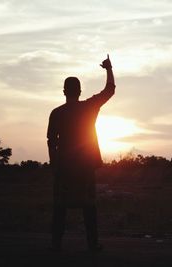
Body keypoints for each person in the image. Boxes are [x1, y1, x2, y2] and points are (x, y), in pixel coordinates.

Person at [47, 55, 115, 252]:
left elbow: (51, 142)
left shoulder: (56, 113)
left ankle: (56, 245)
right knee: (89, 207)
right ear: (79, 91)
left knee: (60, 208)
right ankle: (92, 245)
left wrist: (54, 165)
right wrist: (109, 69)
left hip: (64, 169)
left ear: (64, 92)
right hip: (85, 167)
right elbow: (109, 90)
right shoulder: (89, 107)